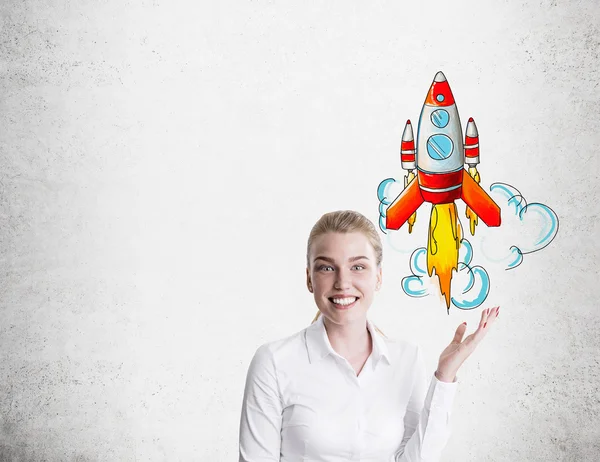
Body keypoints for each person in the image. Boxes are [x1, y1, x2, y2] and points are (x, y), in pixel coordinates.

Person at [239, 210, 499, 462]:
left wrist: (444, 377)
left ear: (378, 277)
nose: (342, 282)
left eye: (358, 267)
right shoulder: (274, 362)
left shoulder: (406, 358)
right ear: (309, 279)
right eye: (327, 268)